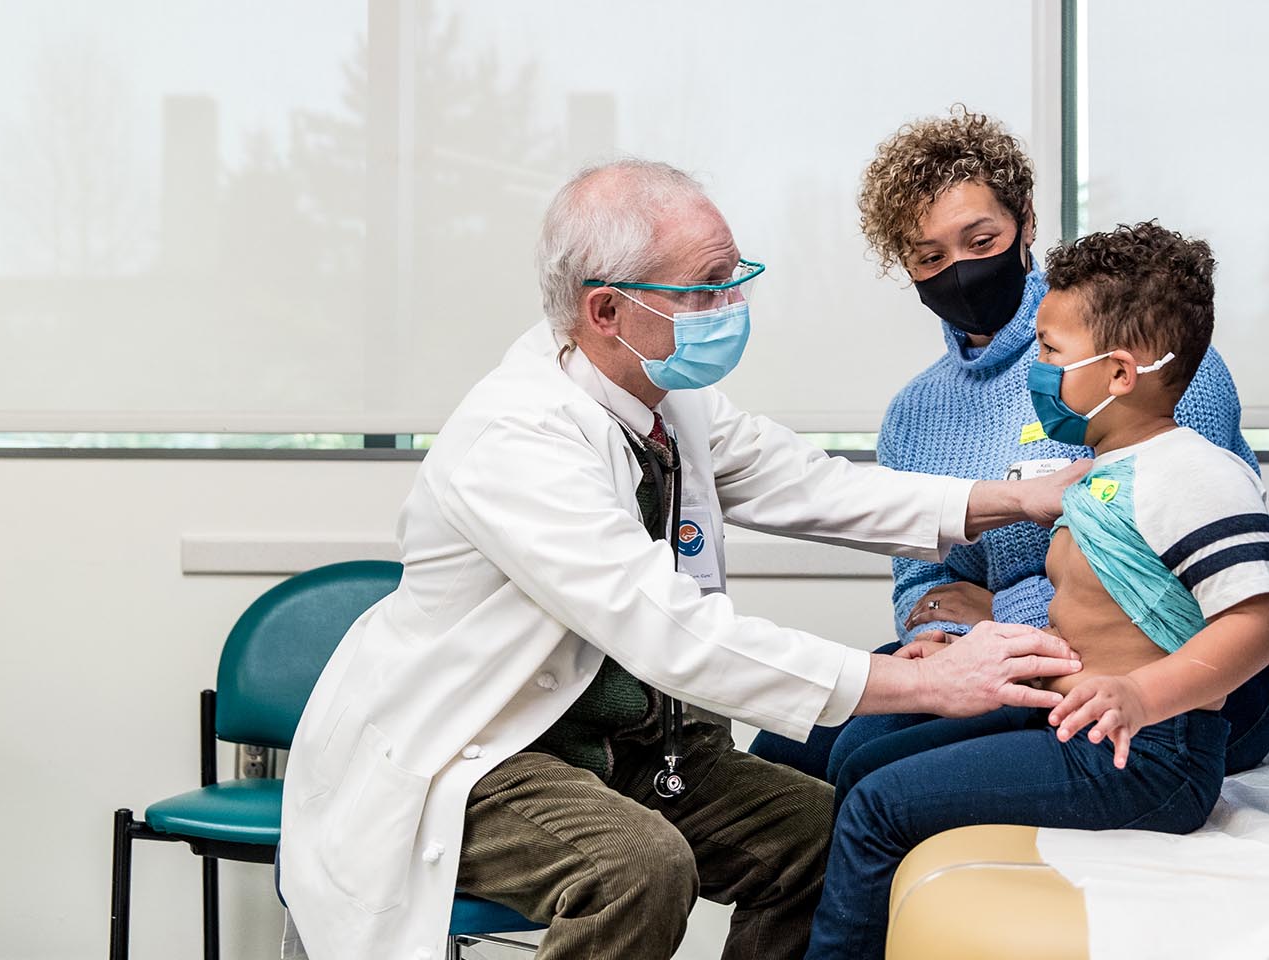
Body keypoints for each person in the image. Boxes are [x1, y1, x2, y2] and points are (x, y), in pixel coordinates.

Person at [277, 159, 1091, 960]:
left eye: (735, 277)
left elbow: (811, 486)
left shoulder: (666, 400)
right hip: (482, 751)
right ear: (606, 309)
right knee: (637, 869)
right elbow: (670, 631)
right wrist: (925, 683)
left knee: (821, 837)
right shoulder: (515, 440)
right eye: (707, 287)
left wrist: (1018, 498)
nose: (732, 304)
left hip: (627, 743)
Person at [749, 107, 1269, 786]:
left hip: (1177, 671)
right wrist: (938, 640)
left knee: (862, 753)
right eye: (929, 257)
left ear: (1026, 224)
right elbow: (926, 584)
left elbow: (1158, 580)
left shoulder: (1130, 356)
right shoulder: (912, 413)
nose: (957, 270)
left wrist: (997, 614)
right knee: (787, 746)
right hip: (1020, 651)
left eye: (979, 239)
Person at [803, 222, 1269, 959]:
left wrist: (1143, 695)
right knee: (863, 761)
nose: (1034, 366)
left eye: (1052, 353)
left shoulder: (1192, 474)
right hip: (1077, 724)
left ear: (1121, 374)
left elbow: (1259, 619)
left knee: (877, 804)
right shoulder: (1099, 473)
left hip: (1150, 754)